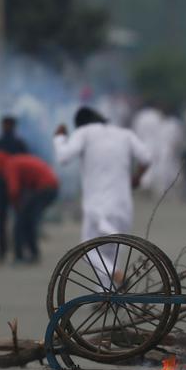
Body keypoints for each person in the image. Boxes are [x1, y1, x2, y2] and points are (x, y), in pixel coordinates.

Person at [54, 107, 151, 284]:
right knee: (110, 251)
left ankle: (116, 275)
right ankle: (106, 295)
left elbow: (63, 157)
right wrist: (136, 178)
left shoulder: (84, 132)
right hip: (122, 204)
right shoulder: (124, 134)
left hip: (97, 205)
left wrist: (59, 138)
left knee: (87, 250)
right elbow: (146, 158)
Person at [0, 150, 59, 263]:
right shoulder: (14, 161)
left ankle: (20, 256)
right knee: (28, 221)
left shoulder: (9, 166)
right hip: (49, 187)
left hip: (45, 187)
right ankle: (33, 253)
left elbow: (13, 189)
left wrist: (16, 205)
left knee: (21, 222)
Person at [0, 116, 29, 262]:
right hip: (12, 187)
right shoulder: (18, 144)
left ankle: (6, 250)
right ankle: (15, 249)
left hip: (7, 187)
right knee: (15, 218)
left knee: (4, 219)